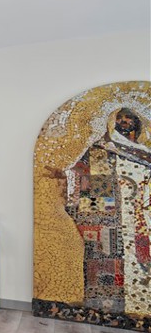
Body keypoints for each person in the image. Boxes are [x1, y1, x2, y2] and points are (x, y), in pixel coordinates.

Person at [63, 107, 151, 317]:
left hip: (140, 216)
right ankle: (102, 307)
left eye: (128, 118)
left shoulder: (145, 154)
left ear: (137, 123)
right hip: (106, 217)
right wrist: (67, 176)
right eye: (119, 118)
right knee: (103, 260)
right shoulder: (100, 148)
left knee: (139, 262)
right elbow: (78, 172)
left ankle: (139, 309)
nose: (124, 121)